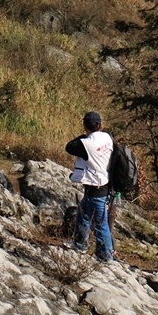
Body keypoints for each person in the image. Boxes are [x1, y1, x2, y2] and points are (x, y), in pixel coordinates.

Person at [66, 111, 114, 261]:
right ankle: (80, 244)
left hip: (96, 188)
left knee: (100, 225)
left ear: (85, 125)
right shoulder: (107, 137)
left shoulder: (86, 144)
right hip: (102, 184)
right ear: (100, 125)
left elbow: (69, 147)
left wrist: (84, 135)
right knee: (83, 214)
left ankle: (106, 257)